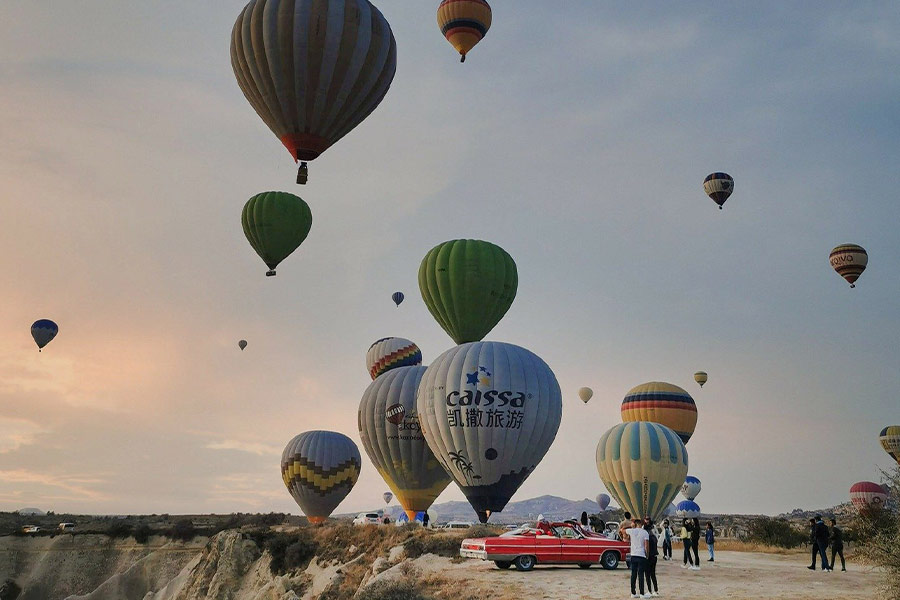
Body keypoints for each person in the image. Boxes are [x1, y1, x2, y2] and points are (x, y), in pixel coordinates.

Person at [625, 517, 651, 599]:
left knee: (633, 574)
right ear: (641, 524)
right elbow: (646, 545)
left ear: (635, 524)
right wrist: (647, 555)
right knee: (641, 575)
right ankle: (642, 594)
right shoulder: (645, 532)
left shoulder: (632, 531)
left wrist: (630, 526)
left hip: (633, 555)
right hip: (641, 555)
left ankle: (633, 593)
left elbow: (622, 529)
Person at [644, 519, 660, 597]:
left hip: (649, 557)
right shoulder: (654, 536)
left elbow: (646, 547)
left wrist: (646, 556)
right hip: (654, 556)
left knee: (647, 574)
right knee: (653, 574)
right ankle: (656, 590)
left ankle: (649, 591)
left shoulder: (647, 537)